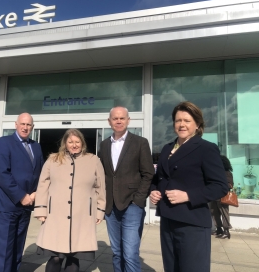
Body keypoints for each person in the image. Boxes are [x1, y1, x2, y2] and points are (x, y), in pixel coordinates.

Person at [149, 101, 228, 272]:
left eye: (187, 120)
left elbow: (220, 186)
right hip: (168, 220)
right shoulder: (167, 148)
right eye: (178, 121)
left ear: (197, 124)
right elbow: (158, 177)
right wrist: (153, 190)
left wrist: (188, 196)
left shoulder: (206, 149)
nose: (181, 124)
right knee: (171, 268)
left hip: (192, 222)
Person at [34, 128, 106, 272]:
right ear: (65, 143)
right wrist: (41, 209)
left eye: (77, 141)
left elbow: (101, 187)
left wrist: (99, 211)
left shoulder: (93, 160)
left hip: (82, 216)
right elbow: (43, 185)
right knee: (55, 257)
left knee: (74, 257)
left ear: (82, 143)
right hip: (56, 215)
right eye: (70, 141)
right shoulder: (53, 159)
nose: (74, 145)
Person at [98, 106, 154, 272]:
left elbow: (148, 173)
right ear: (110, 122)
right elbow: (103, 175)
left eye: (122, 118)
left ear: (128, 120)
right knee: (116, 252)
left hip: (132, 205)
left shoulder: (140, 143)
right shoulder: (104, 145)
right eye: (115, 118)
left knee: (129, 253)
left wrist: (138, 199)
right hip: (111, 207)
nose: (119, 121)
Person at [0, 113, 44, 272]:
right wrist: (21, 196)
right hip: (7, 205)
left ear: (33, 127)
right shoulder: (4, 143)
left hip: (26, 206)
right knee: (3, 250)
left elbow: (40, 173)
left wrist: (36, 193)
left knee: (18, 248)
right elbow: (2, 173)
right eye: (23, 124)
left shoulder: (36, 146)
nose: (25, 127)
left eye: (29, 125)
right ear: (16, 124)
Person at [210, 155, 234, 239]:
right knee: (214, 213)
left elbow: (230, 185)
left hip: (222, 196)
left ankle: (226, 231)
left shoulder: (227, 173)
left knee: (224, 213)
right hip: (214, 196)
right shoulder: (216, 172)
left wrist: (219, 184)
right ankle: (219, 229)